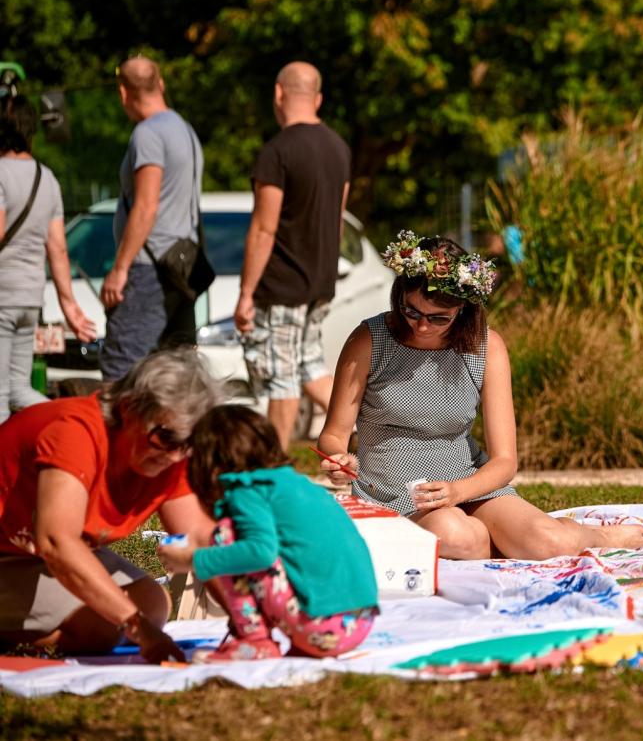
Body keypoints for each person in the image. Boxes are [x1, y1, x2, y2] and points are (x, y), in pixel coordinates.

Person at [318, 233, 643, 559]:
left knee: (548, 541)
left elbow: (505, 461)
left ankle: (593, 536)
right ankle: (501, 541)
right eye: (412, 311)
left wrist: (459, 491)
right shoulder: (370, 340)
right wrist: (339, 460)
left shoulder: (486, 347)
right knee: (458, 535)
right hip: (393, 491)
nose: (422, 326)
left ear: (463, 310)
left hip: (468, 484)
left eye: (438, 318)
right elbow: (334, 435)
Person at [0, 349, 222, 662]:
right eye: (165, 438)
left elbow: (199, 539)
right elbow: (57, 542)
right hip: (14, 552)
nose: (174, 456)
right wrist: (139, 630)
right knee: (107, 624)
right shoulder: (76, 431)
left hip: (34, 553)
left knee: (152, 604)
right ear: (129, 407)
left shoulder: (170, 454)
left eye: (188, 443)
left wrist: (250, 622)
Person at [157, 405, 378, 661]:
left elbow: (260, 553)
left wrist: (191, 560)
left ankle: (255, 641)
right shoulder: (294, 484)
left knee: (226, 536)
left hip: (324, 627)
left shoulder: (248, 490)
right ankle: (299, 640)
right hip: (361, 620)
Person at [234, 61, 351, 450]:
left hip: (283, 283)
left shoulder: (277, 151)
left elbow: (264, 228)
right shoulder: (339, 148)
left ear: (278, 94)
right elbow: (337, 221)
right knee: (309, 366)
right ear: (317, 98)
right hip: (320, 281)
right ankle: (368, 433)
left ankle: (275, 467)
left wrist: (246, 292)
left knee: (282, 375)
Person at [100, 57, 204, 382]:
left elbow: (146, 206)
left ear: (122, 93)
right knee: (178, 370)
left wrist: (119, 270)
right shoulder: (185, 131)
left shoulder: (147, 134)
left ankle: (117, 434)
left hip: (150, 268)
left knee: (122, 366)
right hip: (184, 266)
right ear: (160, 84)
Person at [0, 95, 96, 422]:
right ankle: (72, 419)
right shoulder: (47, 178)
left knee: (0, 398)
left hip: (2, 296)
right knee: (18, 389)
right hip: (29, 298)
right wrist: (69, 305)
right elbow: (57, 247)